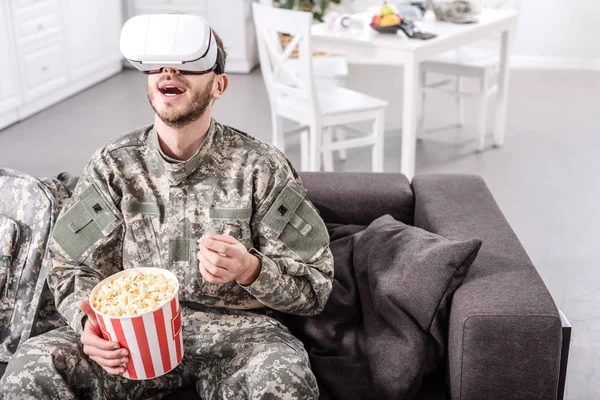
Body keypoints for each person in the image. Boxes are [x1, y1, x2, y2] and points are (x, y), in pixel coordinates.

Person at [0, 23, 333, 400]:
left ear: (219, 85)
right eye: (158, 65)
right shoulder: (114, 166)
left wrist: (250, 269)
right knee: (31, 368)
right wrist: (87, 323)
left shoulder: (262, 168)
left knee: (284, 381)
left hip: (239, 336)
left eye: (188, 64)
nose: (169, 72)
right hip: (127, 338)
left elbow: (316, 285)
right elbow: (68, 265)